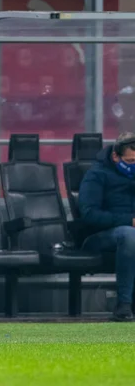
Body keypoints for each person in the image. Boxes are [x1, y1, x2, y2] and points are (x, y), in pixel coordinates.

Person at [79, 132, 135, 321]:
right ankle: (124, 305)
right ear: (115, 156)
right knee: (129, 234)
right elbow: (89, 215)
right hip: (98, 238)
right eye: (131, 161)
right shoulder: (97, 174)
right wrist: (129, 220)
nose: (134, 165)